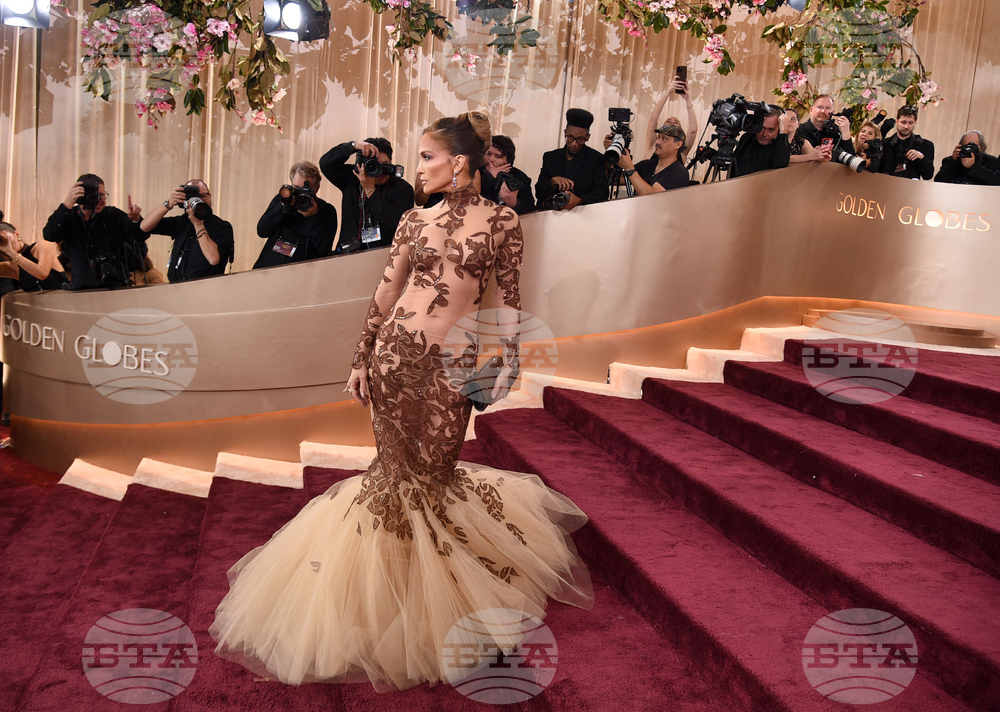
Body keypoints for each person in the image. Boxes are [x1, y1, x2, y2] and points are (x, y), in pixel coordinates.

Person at [210, 111, 593, 690]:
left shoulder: (503, 221)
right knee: (394, 477)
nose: (418, 168)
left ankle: (435, 605)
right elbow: (388, 289)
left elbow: (510, 299)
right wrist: (361, 357)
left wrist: (509, 359)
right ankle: (388, 608)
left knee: (434, 476)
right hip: (394, 358)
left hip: (453, 368)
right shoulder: (414, 220)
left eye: (426, 157)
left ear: (458, 162)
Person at [42, 174, 146, 290]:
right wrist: (67, 204)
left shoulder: (112, 215)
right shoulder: (69, 217)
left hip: (115, 286)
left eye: (102, 195)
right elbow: (50, 235)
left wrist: (135, 220)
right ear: (81, 197)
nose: (100, 200)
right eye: (95, 196)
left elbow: (139, 236)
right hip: (83, 289)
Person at [320, 137, 414, 253]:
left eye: (384, 166)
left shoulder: (402, 189)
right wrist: (353, 145)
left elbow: (397, 223)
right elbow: (326, 164)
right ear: (363, 164)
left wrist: (370, 191)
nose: (380, 171)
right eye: (374, 165)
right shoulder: (353, 177)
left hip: (382, 256)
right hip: (347, 255)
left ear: (391, 162)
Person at [140, 179, 233, 282]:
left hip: (206, 288)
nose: (199, 200)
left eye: (203, 196)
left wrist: (198, 224)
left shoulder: (222, 226)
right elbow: (145, 226)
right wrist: (168, 204)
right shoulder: (182, 221)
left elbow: (214, 259)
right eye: (193, 197)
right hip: (176, 287)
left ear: (209, 196)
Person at [253, 161, 339, 269]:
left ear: (316, 188)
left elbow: (324, 250)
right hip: (269, 269)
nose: (301, 193)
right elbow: (262, 231)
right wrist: (283, 207)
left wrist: (312, 217)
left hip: (302, 273)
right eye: (297, 188)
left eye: (306, 189)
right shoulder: (282, 201)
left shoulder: (326, 211)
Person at [535, 108, 609, 210]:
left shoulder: (596, 159)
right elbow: (538, 193)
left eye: (580, 139)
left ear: (587, 137)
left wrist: (580, 200)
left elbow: (602, 193)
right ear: (565, 133)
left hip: (581, 214)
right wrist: (552, 182)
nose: (574, 143)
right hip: (550, 213)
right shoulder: (550, 157)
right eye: (570, 137)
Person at [614, 124, 690, 193]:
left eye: (664, 138)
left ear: (678, 144)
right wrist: (613, 152)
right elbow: (616, 180)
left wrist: (630, 168)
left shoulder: (679, 173)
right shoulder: (646, 165)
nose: (657, 141)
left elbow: (653, 196)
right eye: (659, 137)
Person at [0, 221, 69, 291]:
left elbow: (42, 274)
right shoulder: (12, 266)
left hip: (61, 296)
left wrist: (12, 253)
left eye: (2, 238)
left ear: (17, 234)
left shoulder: (42, 246)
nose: (3, 242)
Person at [645, 75, 698, 162]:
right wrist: (668, 91)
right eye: (668, 121)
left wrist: (687, 99)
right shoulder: (654, 144)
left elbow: (693, 131)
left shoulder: (682, 151)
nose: (672, 123)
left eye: (676, 122)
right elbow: (653, 120)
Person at [479, 135, 534, 214]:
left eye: (498, 156)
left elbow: (531, 209)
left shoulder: (519, 177)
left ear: (508, 161)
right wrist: (490, 177)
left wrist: (514, 203)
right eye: (488, 154)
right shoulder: (475, 173)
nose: (490, 159)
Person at [730, 109, 791, 177]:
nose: (764, 134)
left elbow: (780, 163)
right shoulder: (747, 138)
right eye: (762, 128)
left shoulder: (779, 145)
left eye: (771, 130)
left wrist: (783, 130)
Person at [879, 105, 934, 180]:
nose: (906, 126)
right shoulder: (885, 144)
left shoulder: (925, 145)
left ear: (915, 122)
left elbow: (928, 176)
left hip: (911, 186)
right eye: (903, 122)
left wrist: (921, 158)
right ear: (897, 121)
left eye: (910, 123)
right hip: (887, 184)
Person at [795, 94, 854, 162]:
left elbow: (851, 159)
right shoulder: (799, 130)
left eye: (827, 108)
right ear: (811, 110)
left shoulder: (835, 131)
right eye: (820, 107)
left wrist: (845, 132)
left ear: (832, 112)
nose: (823, 111)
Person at [934, 130, 1000, 186]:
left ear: (981, 147)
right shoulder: (950, 160)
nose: (969, 148)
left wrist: (973, 166)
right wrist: (953, 161)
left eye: (972, 145)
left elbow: (997, 181)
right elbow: (938, 181)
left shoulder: (991, 161)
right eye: (966, 145)